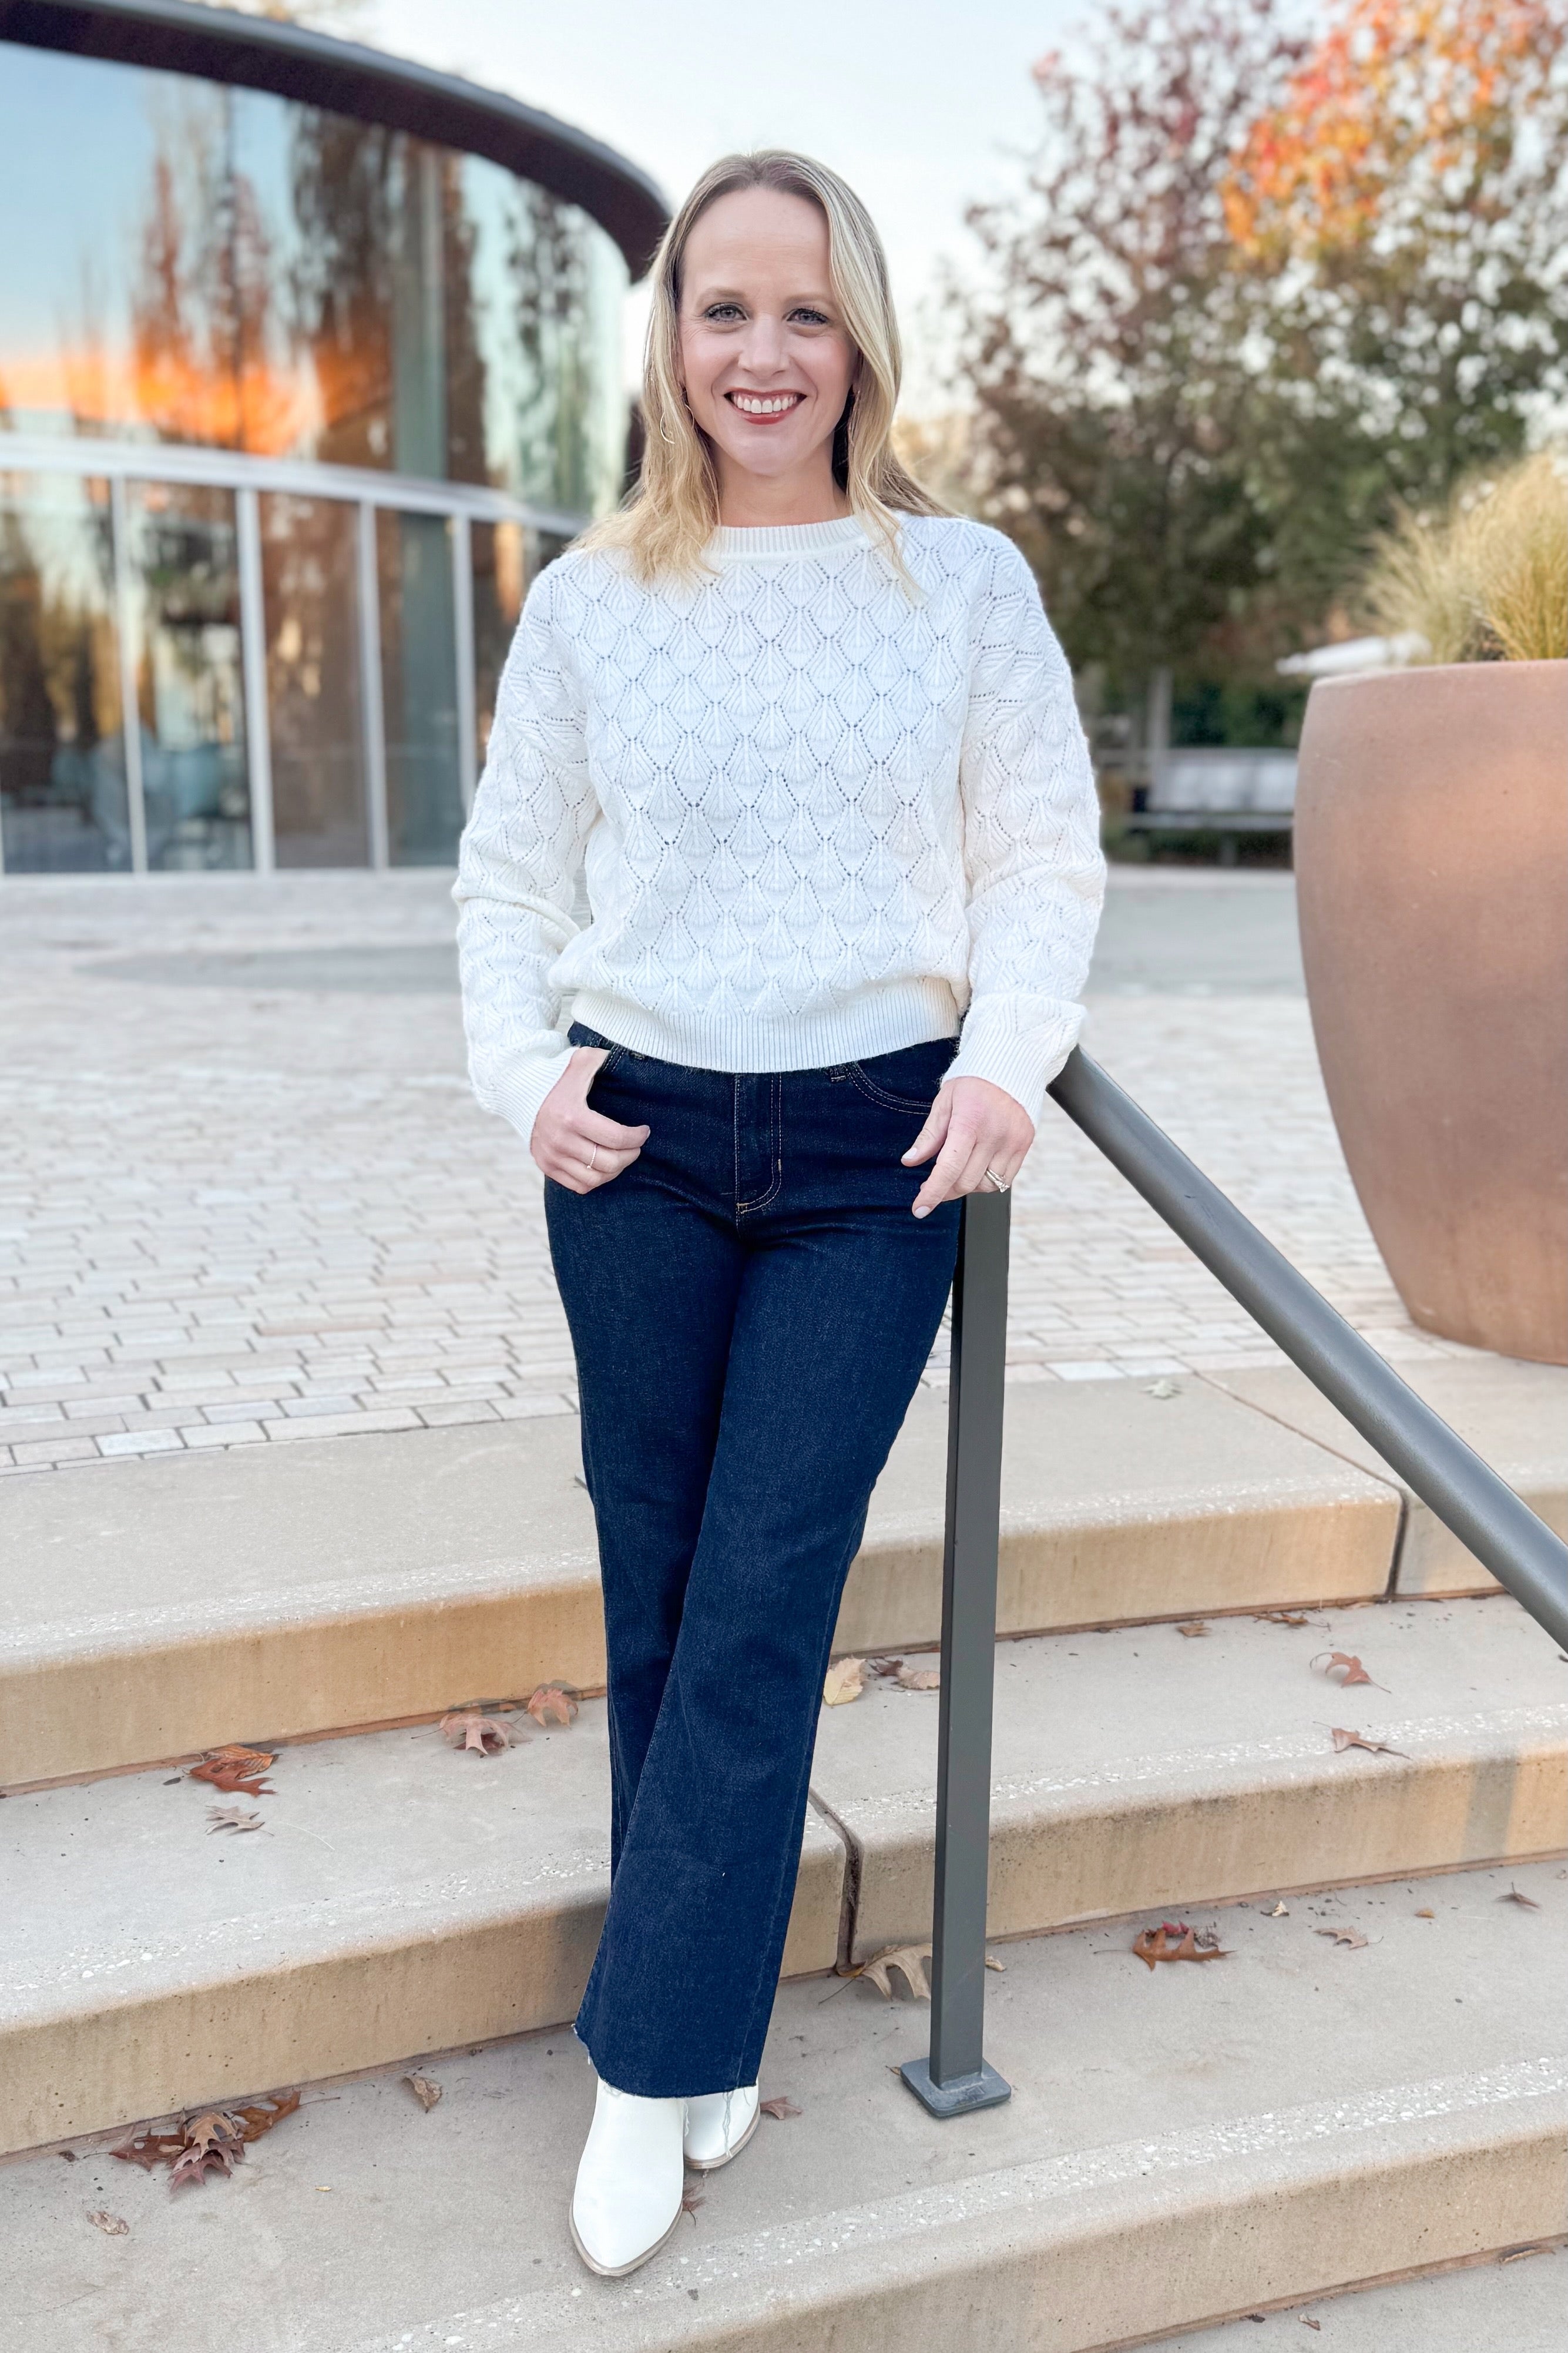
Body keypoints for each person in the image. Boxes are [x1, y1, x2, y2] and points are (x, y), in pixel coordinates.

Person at [453, 147, 1105, 2279]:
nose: (761, 351)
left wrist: (1006, 1058)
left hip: (869, 1159)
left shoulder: (968, 585)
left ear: (863, 342)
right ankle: (708, 2012)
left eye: (803, 312)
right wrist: (519, 1070)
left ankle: (645, 2072)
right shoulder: (587, 600)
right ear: (671, 338)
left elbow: (1040, 858)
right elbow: (507, 879)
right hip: (633, 1146)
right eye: (723, 310)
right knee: (657, 1593)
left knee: (756, 1603)